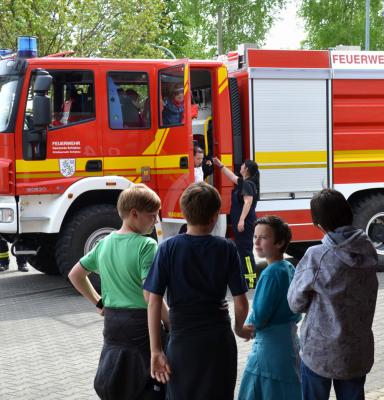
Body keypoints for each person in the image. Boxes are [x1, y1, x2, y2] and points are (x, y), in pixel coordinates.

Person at [144, 182, 250, 400]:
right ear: (214, 217)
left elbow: (153, 301)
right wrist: (239, 327)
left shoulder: (167, 248)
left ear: (183, 214)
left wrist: (156, 350)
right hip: (218, 341)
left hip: (183, 341)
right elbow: (241, 302)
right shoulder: (227, 248)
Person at [68, 184, 167, 400]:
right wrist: (169, 322)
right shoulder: (146, 245)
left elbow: (75, 275)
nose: (155, 221)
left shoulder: (104, 243)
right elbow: (151, 296)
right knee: (147, 385)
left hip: (113, 325)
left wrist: (98, 303)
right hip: (141, 326)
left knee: (119, 381)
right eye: (152, 216)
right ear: (134, 214)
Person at [287, 189, 378, 400]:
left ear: (318, 224)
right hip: (357, 351)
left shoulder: (316, 257)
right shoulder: (369, 251)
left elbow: (295, 303)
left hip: (319, 354)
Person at [238, 215, 302, 400]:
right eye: (255, 237)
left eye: (263, 237)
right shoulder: (288, 267)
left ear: (280, 242)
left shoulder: (270, 274)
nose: (256, 242)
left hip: (269, 351)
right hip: (288, 345)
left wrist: (244, 328)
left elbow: (259, 316)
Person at [214, 157, 260, 289]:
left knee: (246, 252)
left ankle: (251, 281)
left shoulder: (248, 184)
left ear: (246, 169)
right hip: (243, 222)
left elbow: (248, 202)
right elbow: (233, 177)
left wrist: (241, 220)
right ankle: (245, 278)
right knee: (242, 251)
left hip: (245, 222)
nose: (240, 167)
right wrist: (221, 166)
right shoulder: (244, 182)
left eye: (242, 166)